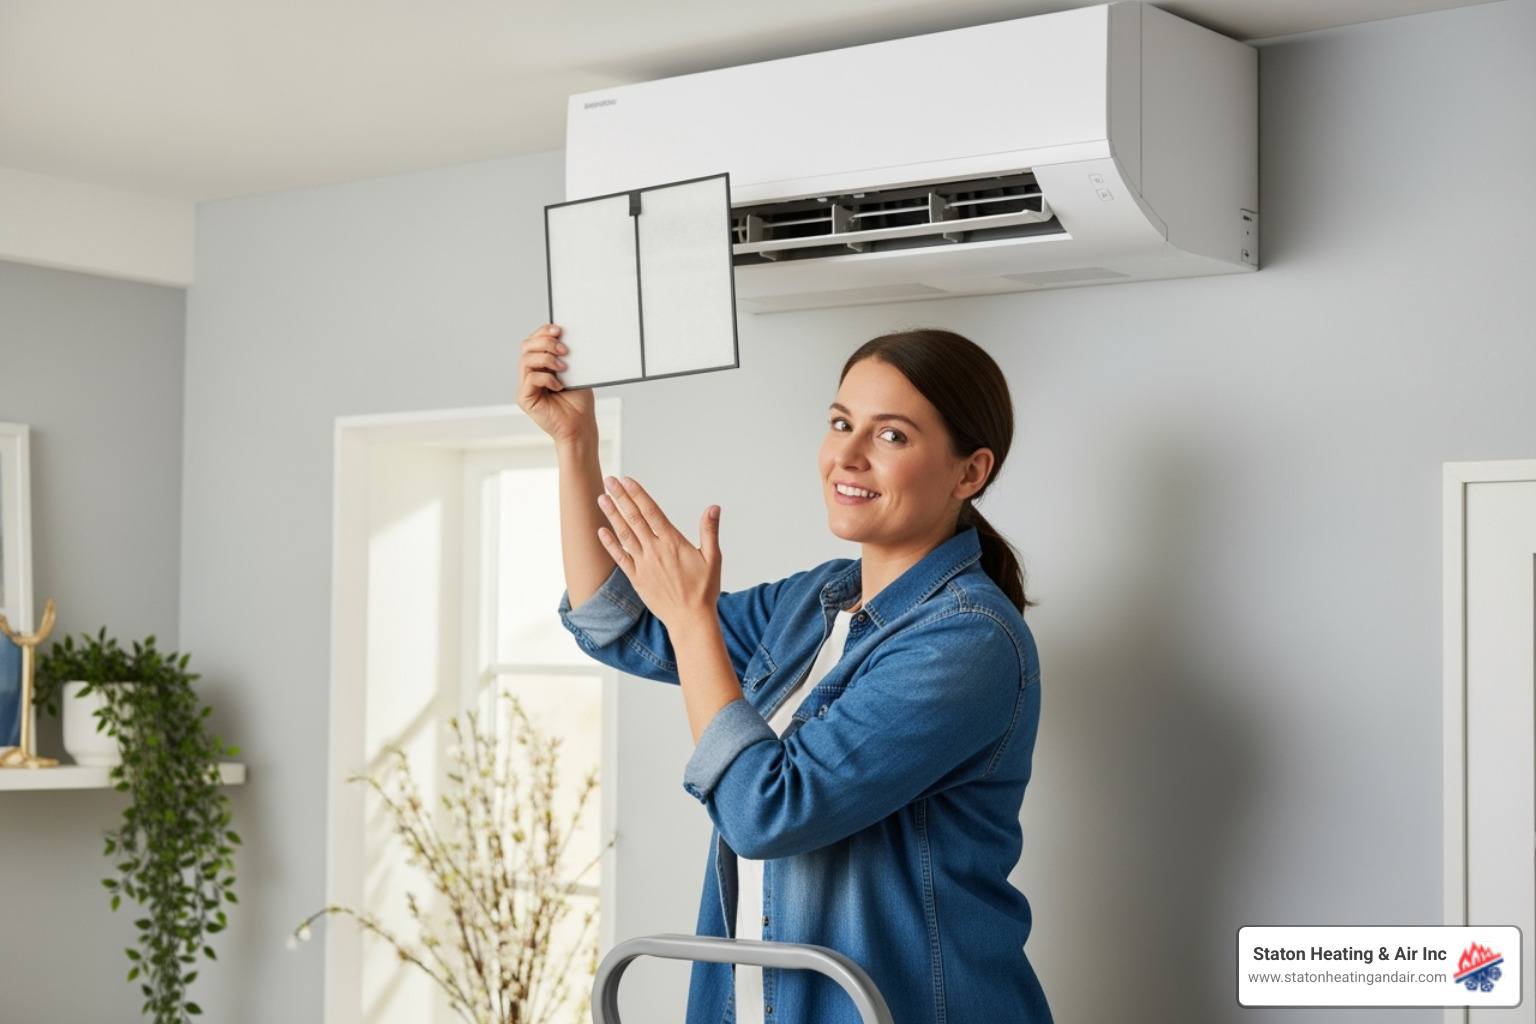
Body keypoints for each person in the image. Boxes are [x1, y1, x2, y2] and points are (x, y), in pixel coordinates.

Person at [516, 323, 1052, 1024]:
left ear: (969, 472)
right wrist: (574, 442)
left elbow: (765, 813)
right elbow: (620, 623)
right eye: (840, 423)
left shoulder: (968, 641)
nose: (848, 456)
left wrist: (693, 619)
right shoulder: (814, 601)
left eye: (891, 436)